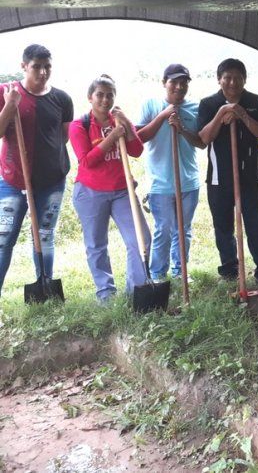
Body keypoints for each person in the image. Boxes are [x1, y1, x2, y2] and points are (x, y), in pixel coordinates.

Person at [198, 58, 258, 291]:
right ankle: (230, 270)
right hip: (219, 179)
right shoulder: (209, 103)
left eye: (237, 77)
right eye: (227, 77)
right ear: (219, 79)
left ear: (244, 79)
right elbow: (204, 138)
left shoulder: (256, 102)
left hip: (250, 178)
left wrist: (242, 114)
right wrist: (222, 112)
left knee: (257, 226)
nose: (232, 82)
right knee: (223, 227)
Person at [0, 44, 74, 294]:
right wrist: (10, 105)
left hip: (51, 181)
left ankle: (45, 287)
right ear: (23, 66)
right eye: (36, 67)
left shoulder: (62, 99)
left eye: (47, 67)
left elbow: (62, 138)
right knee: (3, 240)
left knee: (44, 235)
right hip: (13, 180)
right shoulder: (5, 92)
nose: (43, 72)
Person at [69, 75, 148, 303]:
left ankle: (136, 292)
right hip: (90, 192)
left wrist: (126, 123)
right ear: (90, 97)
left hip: (122, 191)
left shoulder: (119, 121)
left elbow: (136, 150)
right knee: (97, 245)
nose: (105, 99)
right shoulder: (80, 125)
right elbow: (87, 161)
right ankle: (106, 294)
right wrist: (112, 137)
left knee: (141, 239)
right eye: (100, 95)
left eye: (110, 94)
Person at [136, 64, 204, 282]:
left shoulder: (195, 107)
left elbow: (201, 142)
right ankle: (157, 274)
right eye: (174, 82)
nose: (179, 86)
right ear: (164, 82)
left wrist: (182, 127)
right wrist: (163, 116)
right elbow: (139, 138)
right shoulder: (151, 104)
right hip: (161, 182)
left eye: (184, 82)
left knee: (183, 230)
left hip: (188, 181)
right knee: (163, 230)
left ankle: (179, 271)